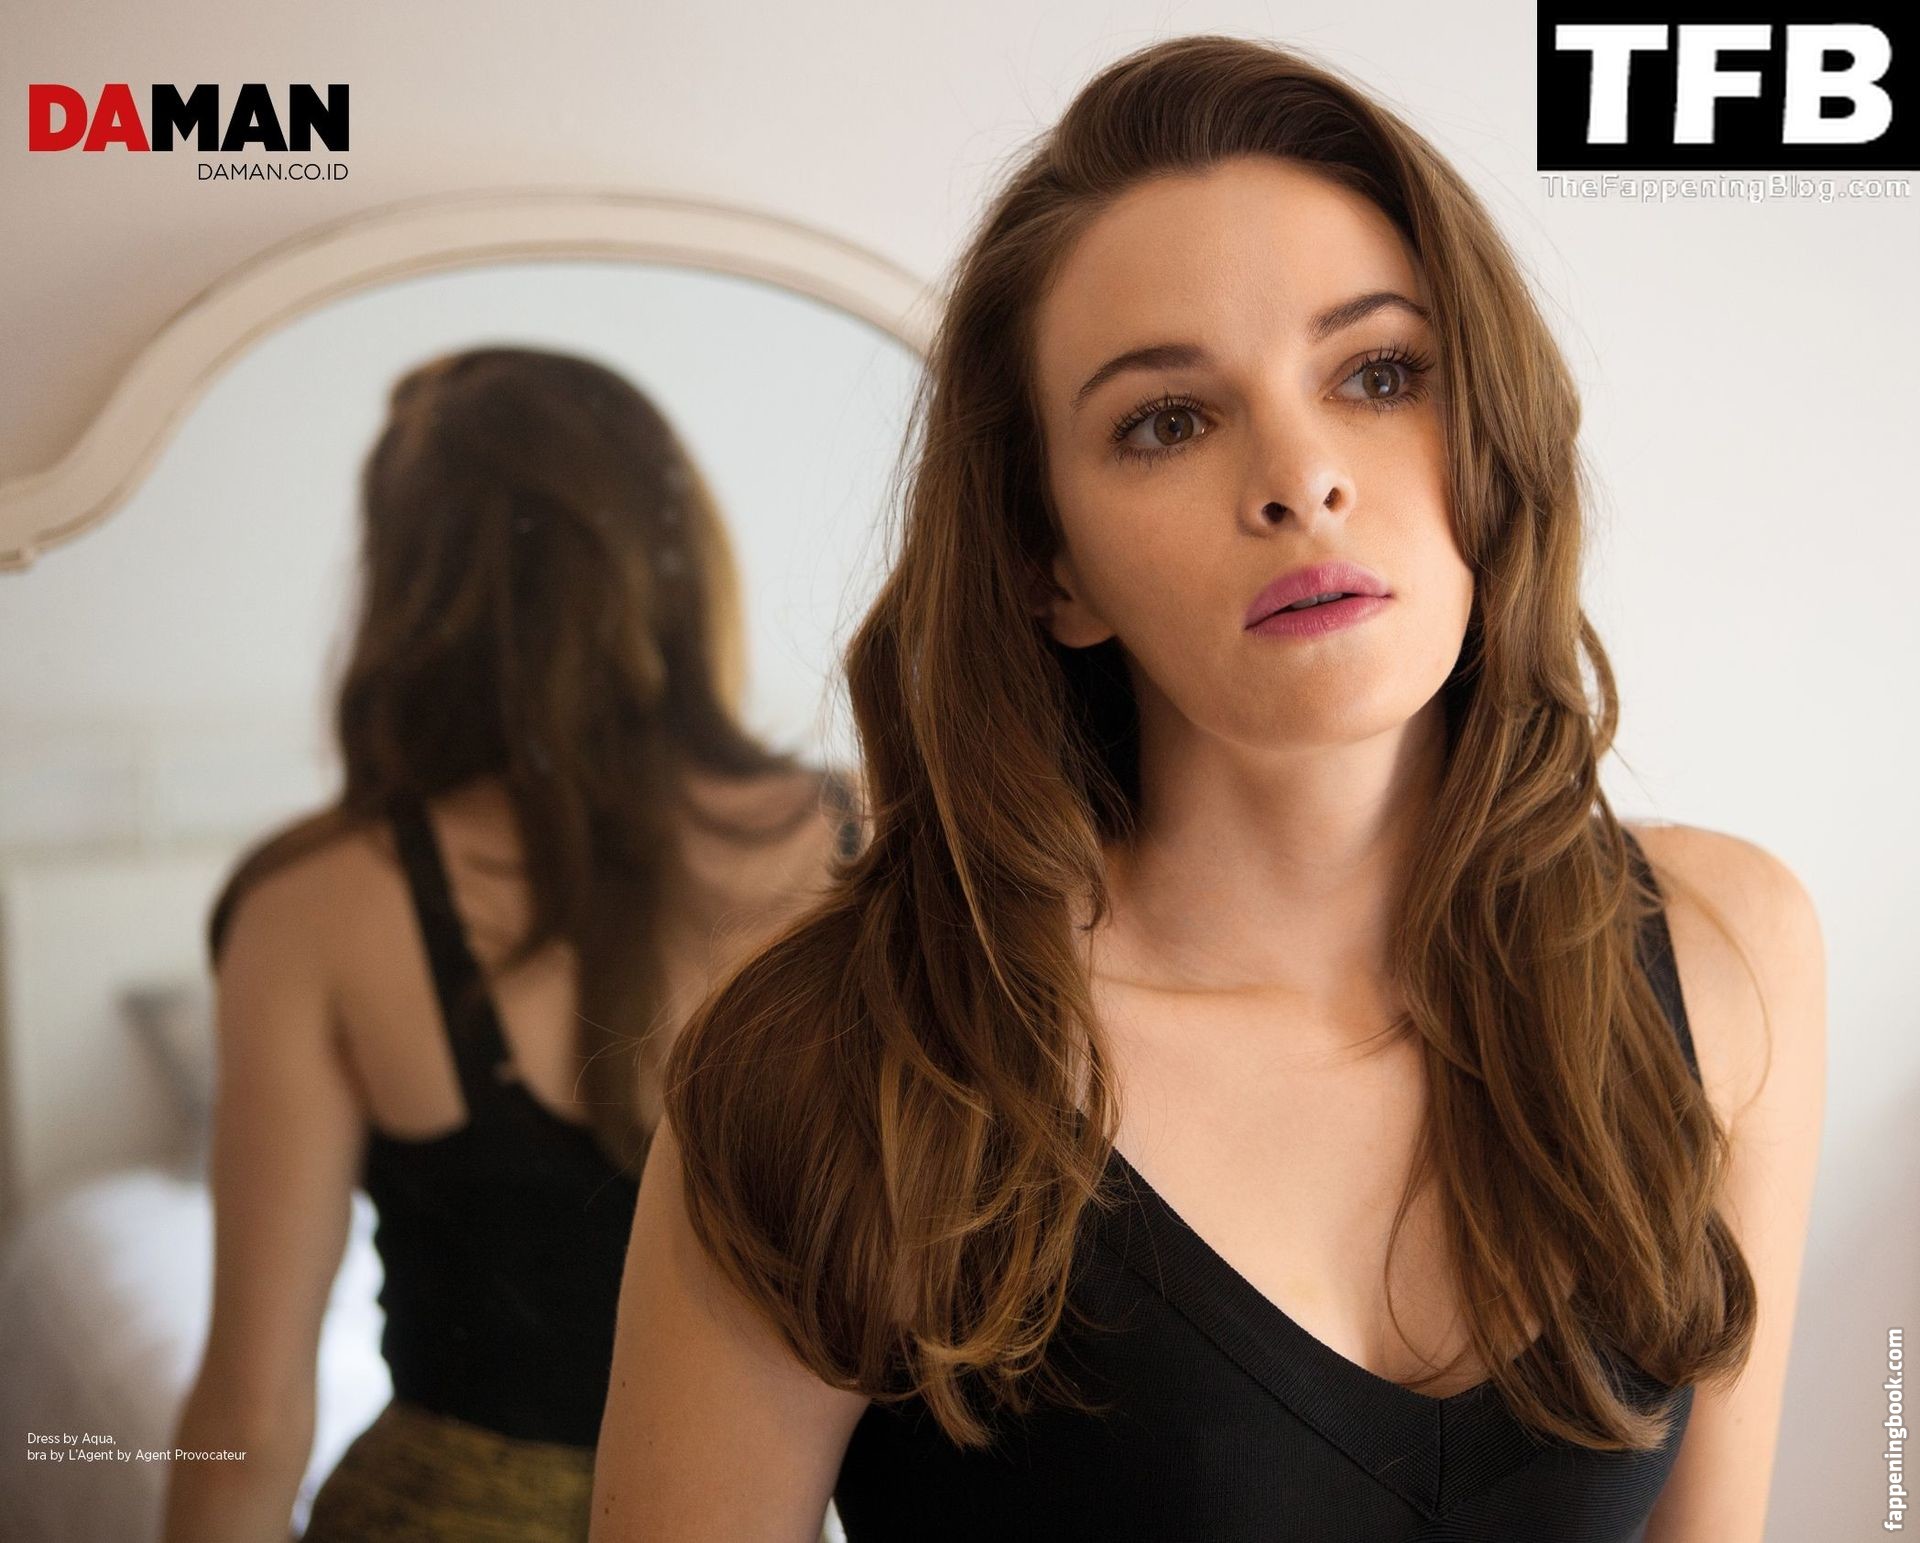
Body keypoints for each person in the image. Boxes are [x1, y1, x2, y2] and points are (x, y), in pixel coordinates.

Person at [590, 35, 1828, 1543]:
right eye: (1167, 420)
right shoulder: (842, 1065)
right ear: (1049, 566)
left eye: (1380, 373)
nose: (1300, 478)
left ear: (1493, 432)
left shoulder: (1723, 949)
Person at [163, 346, 861, 1542]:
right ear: (678, 559)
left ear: (409, 585)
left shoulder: (318, 902)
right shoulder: (874, 842)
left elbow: (252, 1413)